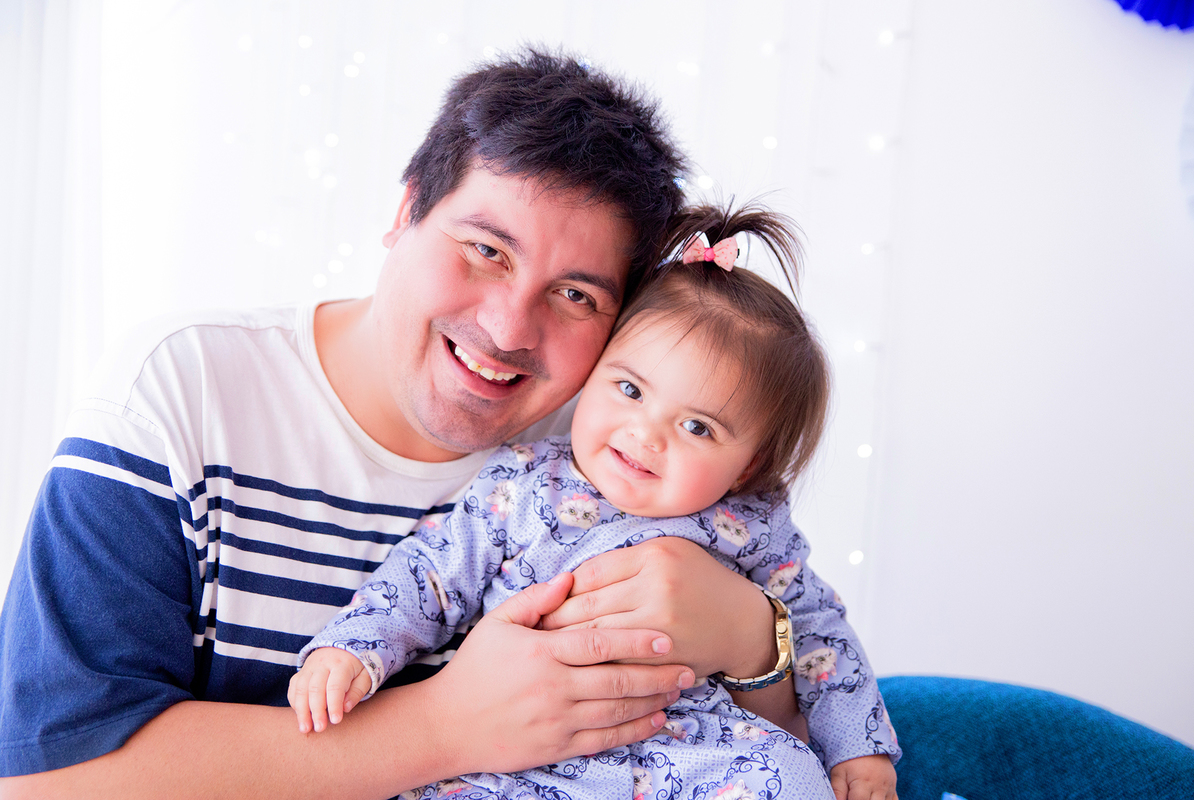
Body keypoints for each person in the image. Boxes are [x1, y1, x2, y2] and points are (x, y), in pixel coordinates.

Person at [0, 52, 797, 799]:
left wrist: (752, 641)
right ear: (407, 207)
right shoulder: (185, 388)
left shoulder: (612, 447)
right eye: (487, 249)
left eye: (576, 295)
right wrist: (442, 730)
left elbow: (758, 756)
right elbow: (44, 773)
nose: (509, 325)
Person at [289, 204, 902, 800]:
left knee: (790, 774)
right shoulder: (522, 484)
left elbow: (820, 633)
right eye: (630, 389)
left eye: (697, 428)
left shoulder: (751, 525)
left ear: (750, 466)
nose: (646, 433)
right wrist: (354, 649)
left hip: (685, 747)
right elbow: (431, 574)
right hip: (520, 756)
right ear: (595, 371)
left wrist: (860, 749)